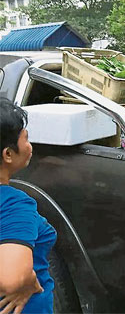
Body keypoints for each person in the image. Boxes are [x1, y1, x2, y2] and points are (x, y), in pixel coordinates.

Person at [0, 98, 57, 314]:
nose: (30, 146)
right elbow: (13, 279)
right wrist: (28, 278)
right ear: (8, 154)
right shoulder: (14, 204)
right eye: (26, 139)